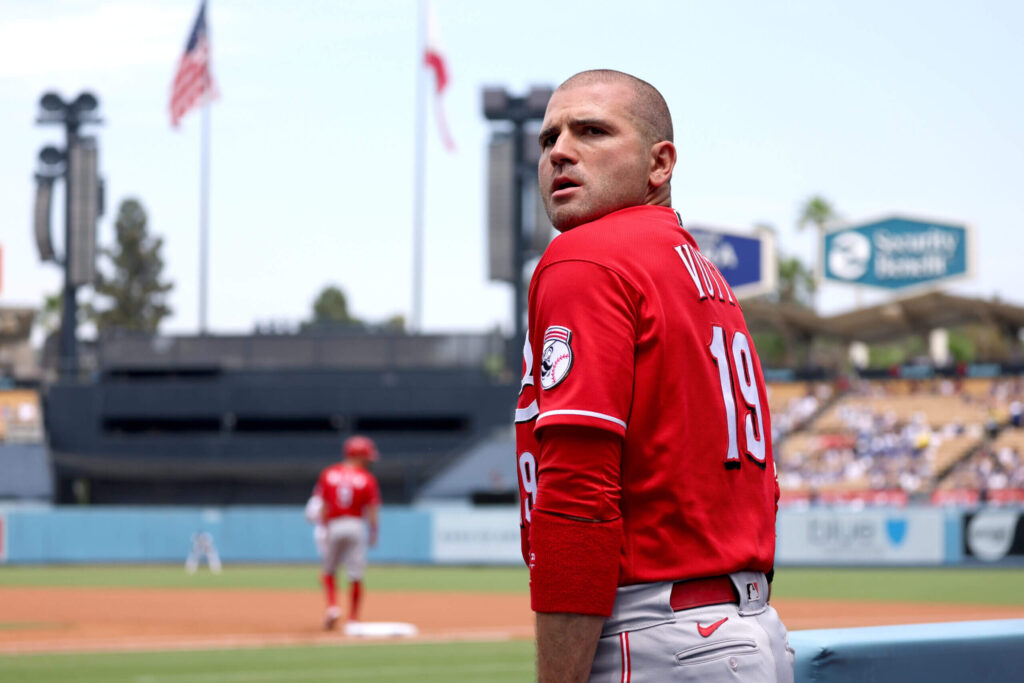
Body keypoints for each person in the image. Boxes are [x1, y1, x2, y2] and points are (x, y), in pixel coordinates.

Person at [514, 69, 794, 682]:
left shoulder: (588, 255)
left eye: (591, 131)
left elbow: (578, 492)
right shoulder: (700, 272)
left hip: (659, 637)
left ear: (659, 163)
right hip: (747, 629)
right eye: (548, 138)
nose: (559, 150)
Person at [309, 434, 381, 630]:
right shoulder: (367, 478)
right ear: (359, 455)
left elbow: (322, 504)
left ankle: (332, 606)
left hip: (333, 525)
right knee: (355, 574)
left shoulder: (328, 473)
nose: (369, 460)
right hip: (356, 525)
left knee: (329, 570)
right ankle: (353, 619)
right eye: (367, 456)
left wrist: (323, 527)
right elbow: (372, 508)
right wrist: (374, 531)